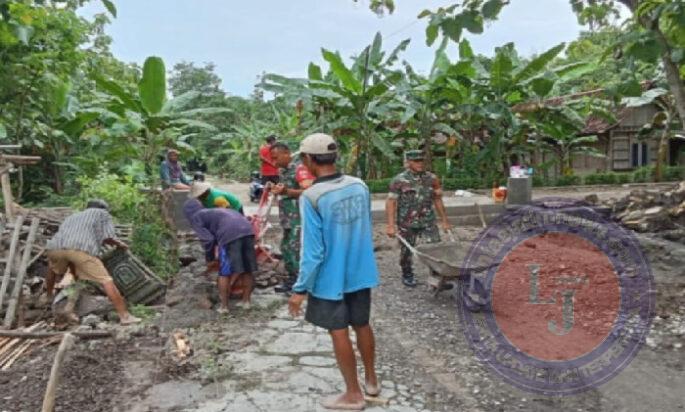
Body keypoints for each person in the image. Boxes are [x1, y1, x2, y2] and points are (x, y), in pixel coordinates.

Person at [288, 133, 380, 411]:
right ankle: (372, 381)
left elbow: (313, 252)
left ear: (308, 160)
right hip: (360, 272)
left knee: (338, 332)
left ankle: (353, 394)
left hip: (330, 280)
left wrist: (300, 289)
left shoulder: (312, 196)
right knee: (362, 324)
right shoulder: (359, 186)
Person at [44, 200, 141, 325]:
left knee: (54, 269)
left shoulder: (73, 216)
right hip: (80, 250)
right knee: (106, 280)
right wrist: (120, 244)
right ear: (104, 208)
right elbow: (108, 236)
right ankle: (125, 316)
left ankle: (49, 297)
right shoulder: (102, 214)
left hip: (55, 249)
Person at [386, 150, 451, 287]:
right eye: (416, 161)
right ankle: (407, 273)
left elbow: (438, 200)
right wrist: (391, 225)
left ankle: (437, 277)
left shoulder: (432, 179)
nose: (420, 164)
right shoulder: (399, 181)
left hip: (428, 221)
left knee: (435, 249)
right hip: (407, 222)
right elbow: (391, 202)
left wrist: (444, 221)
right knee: (406, 251)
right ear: (409, 162)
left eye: (421, 160)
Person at [184, 199, 256, 313]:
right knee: (247, 269)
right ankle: (246, 302)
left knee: (225, 272)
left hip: (229, 234)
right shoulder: (212, 212)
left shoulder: (196, 218)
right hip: (248, 230)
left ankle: (224, 307)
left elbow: (208, 240)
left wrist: (210, 258)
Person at [269, 142, 314, 294]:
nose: (274, 162)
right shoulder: (283, 171)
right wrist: (278, 190)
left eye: (276, 158)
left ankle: (300, 284)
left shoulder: (300, 169)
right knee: (286, 249)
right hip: (287, 218)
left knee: (296, 251)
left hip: (298, 219)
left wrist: (287, 191)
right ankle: (291, 280)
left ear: (286, 153)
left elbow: (309, 192)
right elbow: (285, 190)